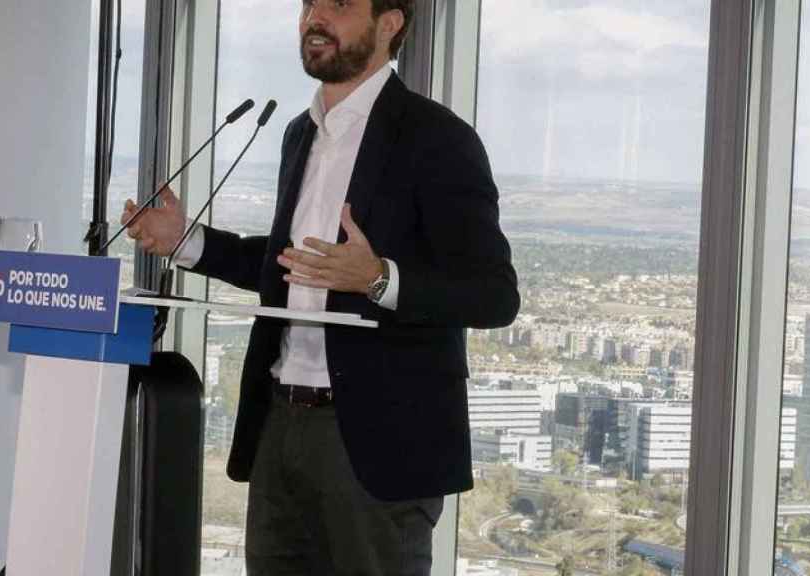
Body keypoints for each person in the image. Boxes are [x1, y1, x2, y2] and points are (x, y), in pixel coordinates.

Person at [121, 0, 518, 573]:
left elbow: (495, 294)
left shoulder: (437, 139)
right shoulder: (299, 134)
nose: (314, 17)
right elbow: (293, 264)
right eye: (309, 4)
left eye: (339, 4)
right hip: (280, 423)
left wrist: (379, 278)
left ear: (389, 23)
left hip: (379, 441)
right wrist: (186, 239)